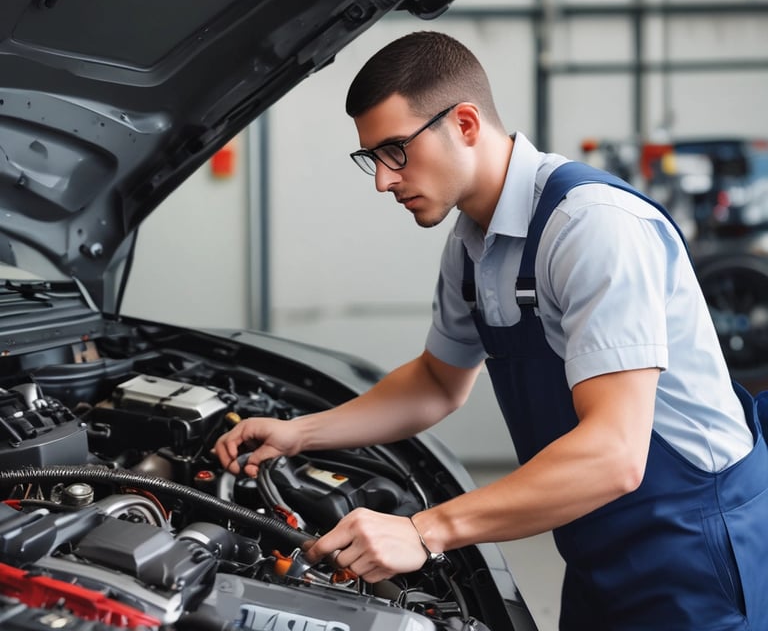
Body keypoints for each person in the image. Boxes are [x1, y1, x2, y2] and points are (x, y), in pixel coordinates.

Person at [215, 31, 768, 629]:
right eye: (371, 157)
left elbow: (614, 455)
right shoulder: (471, 247)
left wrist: (425, 531)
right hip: (594, 540)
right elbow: (435, 382)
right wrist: (301, 433)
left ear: (467, 123)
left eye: (396, 150)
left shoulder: (591, 227)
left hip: (693, 544)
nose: (382, 179)